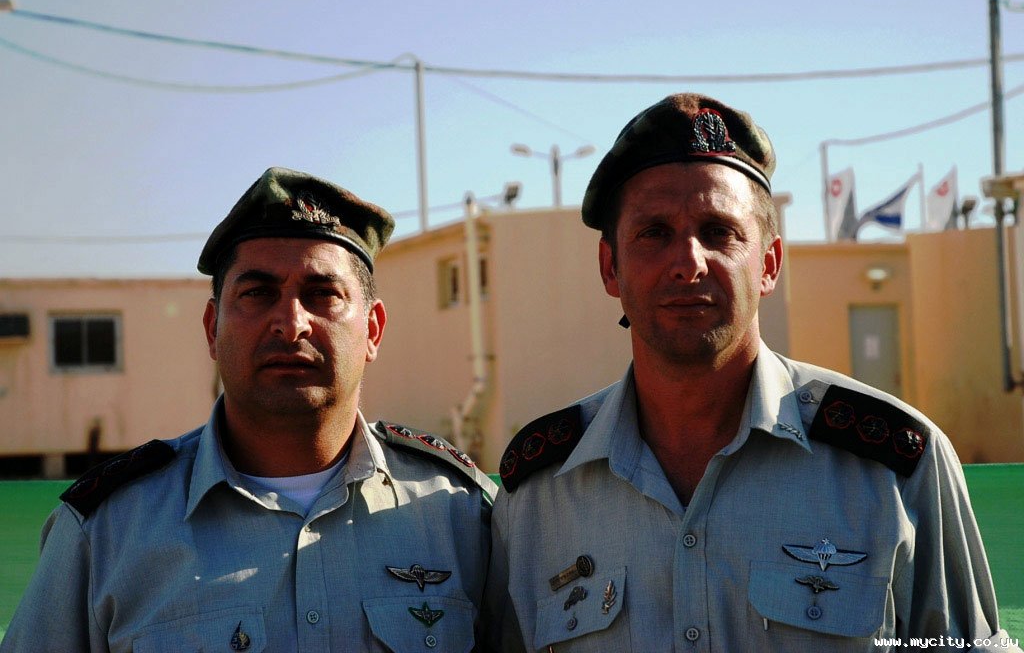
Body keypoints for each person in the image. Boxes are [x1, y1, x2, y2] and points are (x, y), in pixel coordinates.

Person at [483, 94, 1018, 652]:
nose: (688, 262)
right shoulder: (539, 496)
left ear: (768, 263)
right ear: (609, 267)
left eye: (719, 231)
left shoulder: (894, 469)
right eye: (655, 233)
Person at [2, 167, 496, 652]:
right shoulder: (105, 533)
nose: (291, 323)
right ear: (211, 328)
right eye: (258, 293)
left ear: (373, 329)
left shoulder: (461, 513)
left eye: (323, 293)